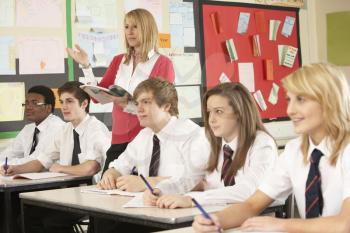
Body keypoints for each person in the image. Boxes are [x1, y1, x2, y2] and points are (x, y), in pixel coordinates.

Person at [192, 63, 350, 233]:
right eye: (289, 100)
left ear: (329, 101)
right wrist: (216, 220)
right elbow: (252, 204)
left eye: (301, 100)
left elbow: (344, 224)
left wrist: (282, 225)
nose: (290, 110)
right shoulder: (294, 151)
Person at [67, 8, 175, 173]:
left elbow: (160, 107)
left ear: (147, 29)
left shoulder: (163, 63)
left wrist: (127, 104)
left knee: (139, 192)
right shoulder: (119, 60)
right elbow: (97, 97)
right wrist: (86, 66)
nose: (129, 32)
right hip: (119, 138)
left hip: (146, 138)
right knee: (106, 186)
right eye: (126, 27)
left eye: (135, 27)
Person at [144, 82, 278, 208]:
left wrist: (193, 199)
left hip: (257, 222)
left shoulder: (262, 144)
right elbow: (188, 178)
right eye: (209, 112)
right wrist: (160, 190)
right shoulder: (211, 143)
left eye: (219, 111)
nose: (211, 119)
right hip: (218, 217)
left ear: (239, 112)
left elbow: (249, 190)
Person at [0, 81, 111, 233]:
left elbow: (90, 168)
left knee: (50, 222)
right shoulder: (65, 130)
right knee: (26, 216)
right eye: (62, 102)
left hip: (92, 195)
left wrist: (61, 168)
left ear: (84, 103)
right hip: (66, 194)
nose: (64, 107)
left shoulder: (95, 129)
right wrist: (15, 169)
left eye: (70, 101)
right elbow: (41, 161)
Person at [0, 85, 64, 165]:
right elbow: (10, 153)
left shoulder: (57, 128)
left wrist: (5, 165)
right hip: (27, 175)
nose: (28, 107)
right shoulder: (28, 129)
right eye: (26, 103)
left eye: (35, 103)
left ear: (48, 108)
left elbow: (35, 160)